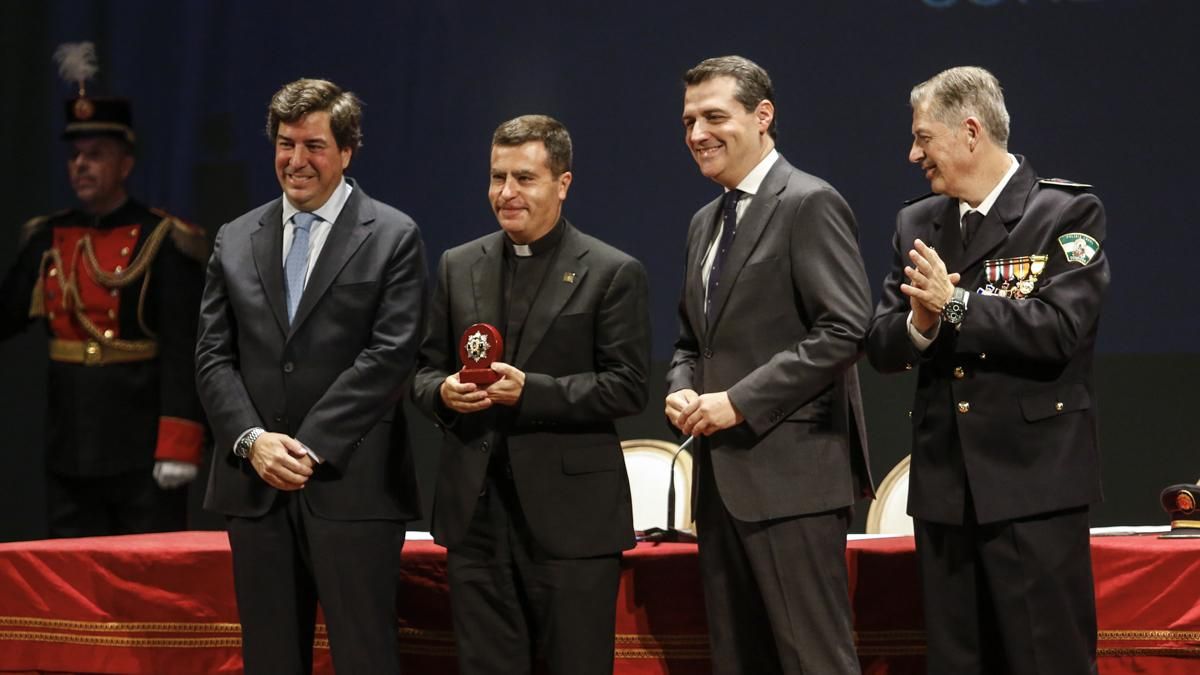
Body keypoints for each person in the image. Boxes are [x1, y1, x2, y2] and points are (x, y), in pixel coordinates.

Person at [866, 66, 1108, 674]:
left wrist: (957, 307)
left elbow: (1059, 331)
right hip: (947, 491)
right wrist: (921, 325)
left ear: (970, 132)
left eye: (924, 137)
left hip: (1034, 487)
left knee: (1044, 659)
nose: (913, 152)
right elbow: (881, 342)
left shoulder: (1066, 214)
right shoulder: (916, 224)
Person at [196, 78, 427, 674]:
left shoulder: (393, 235)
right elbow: (213, 357)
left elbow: (390, 354)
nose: (295, 161)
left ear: (347, 151)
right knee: (271, 659)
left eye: (314, 145)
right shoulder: (236, 237)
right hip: (256, 488)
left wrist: (306, 447)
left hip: (353, 488)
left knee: (364, 657)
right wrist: (252, 442)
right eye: (284, 143)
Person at [412, 114, 649, 675]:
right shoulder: (457, 264)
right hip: (476, 516)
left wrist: (532, 392)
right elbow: (422, 372)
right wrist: (443, 392)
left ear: (562, 184)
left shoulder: (612, 271)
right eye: (497, 177)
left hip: (571, 523)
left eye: (525, 178)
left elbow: (628, 385)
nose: (506, 193)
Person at [664, 55, 873, 674]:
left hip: (794, 483)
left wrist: (738, 401)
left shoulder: (808, 202)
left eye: (713, 117)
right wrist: (681, 388)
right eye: (688, 121)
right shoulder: (706, 220)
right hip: (722, 485)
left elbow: (845, 328)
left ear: (763, 116)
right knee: (739, 659)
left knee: (814, 661)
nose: (697, 133)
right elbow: (690, 341)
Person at [0, 84, 207, 537]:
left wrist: (178, 441)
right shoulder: (47, 236)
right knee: (73, 582)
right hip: (69, 441)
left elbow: (182, 346)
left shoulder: (162, 238)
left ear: (125, 164)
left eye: (95, 154)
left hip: (141, 443)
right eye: (76, 155)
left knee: (148, 579)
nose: (81, 165)